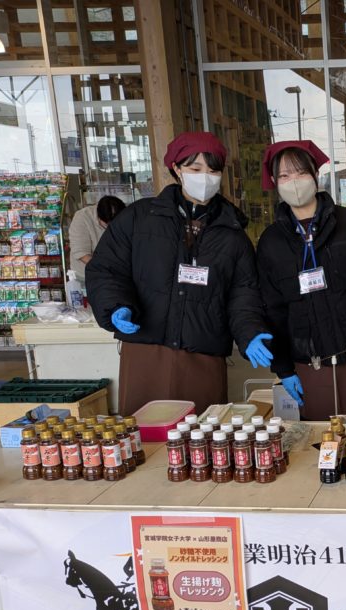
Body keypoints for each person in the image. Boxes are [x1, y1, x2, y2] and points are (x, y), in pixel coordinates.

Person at [86, 131, 273, 415]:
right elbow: (106, 268)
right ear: (176, 169)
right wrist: (115, 306)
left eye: (213, 170)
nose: (205, 177)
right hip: (145, 353)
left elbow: (244, 295)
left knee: (204, 434)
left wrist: (251, 333)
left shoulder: (233, 234)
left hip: (203, 355)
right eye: (195, 169)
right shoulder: (139, 218)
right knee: (145, 431)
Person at [255, 140, 346, 420]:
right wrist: (283, 368)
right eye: (285, 175)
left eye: (301, 172)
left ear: (315, 174)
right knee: (319, 438)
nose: (294, 182)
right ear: (274, 182)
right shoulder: (270, 243)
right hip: (309, 361)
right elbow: (273, 310)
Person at [68, 195, 125, 286]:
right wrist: (108, 270)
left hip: (116, 273)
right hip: (87, 276)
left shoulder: (124, 216)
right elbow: (82, 254)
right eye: (107, 225)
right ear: (99, 217)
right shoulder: (82, 218)